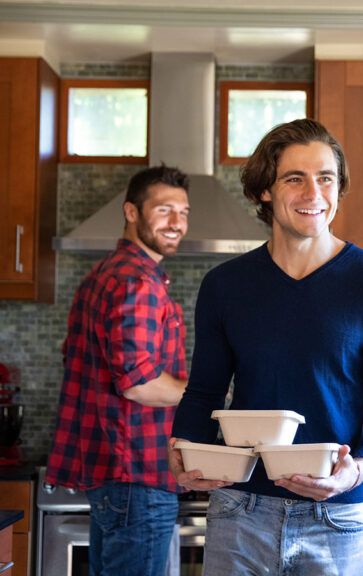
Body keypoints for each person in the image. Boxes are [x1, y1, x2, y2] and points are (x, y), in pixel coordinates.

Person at [169, 118, 363, 575]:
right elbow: (203, 392)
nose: (313, 193)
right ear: (265, 189)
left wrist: (358, 469)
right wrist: (182, 447)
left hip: (338, 517)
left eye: (326, 178)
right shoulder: (224, 286)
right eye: (294, 178)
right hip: (239, 512)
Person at [46, 165, 191, 575]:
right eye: (164, 210)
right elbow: (139, 382)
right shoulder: (137, 282)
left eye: (183, 212)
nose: (176, 223)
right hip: (139, 473)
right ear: (132, 212)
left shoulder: (103, 275)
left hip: (115, 473)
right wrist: (210, 395)